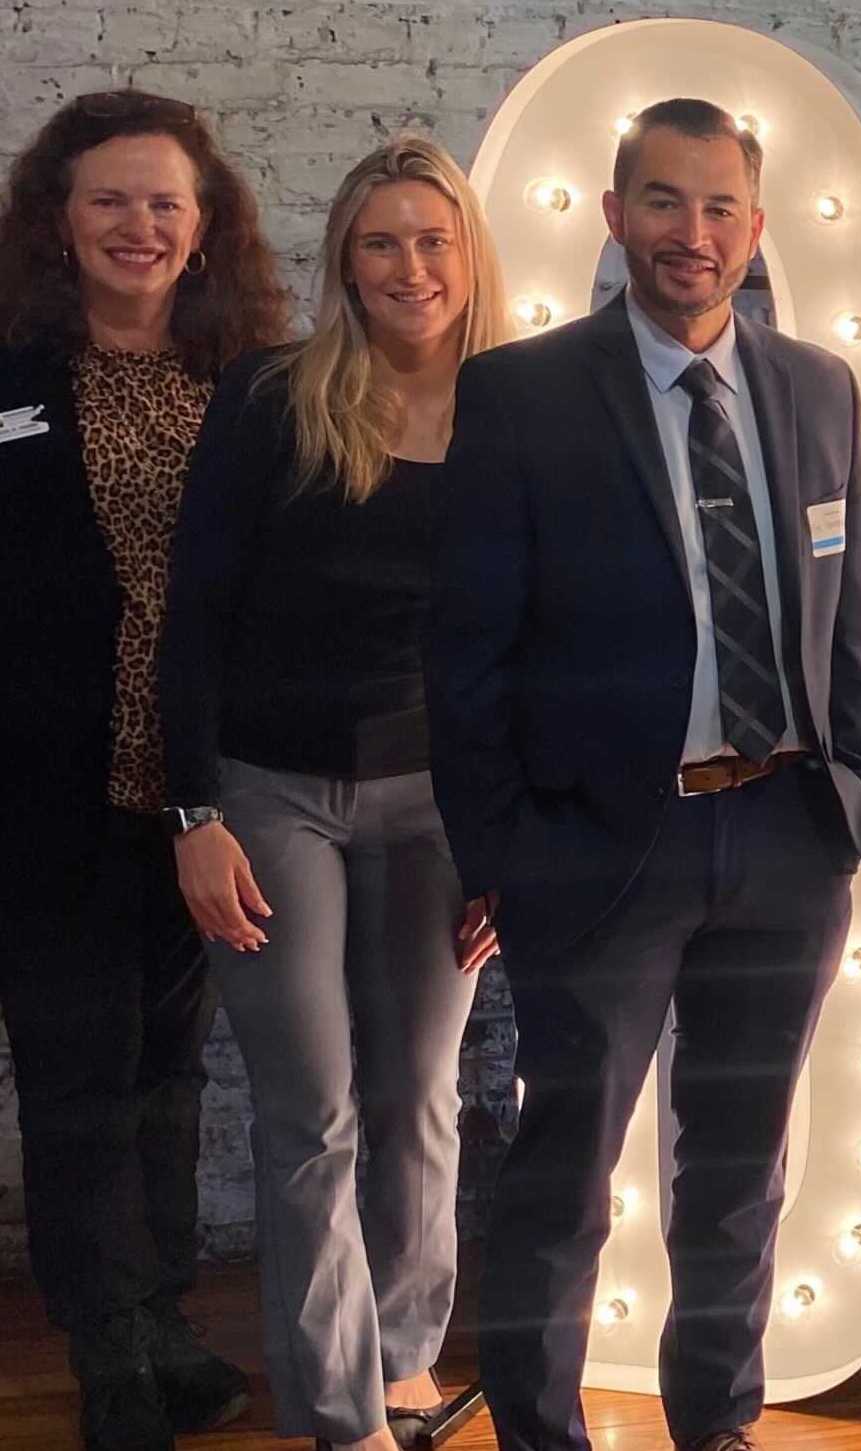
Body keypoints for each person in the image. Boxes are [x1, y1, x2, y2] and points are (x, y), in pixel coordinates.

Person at [424, 97, 861, 1451]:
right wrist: (504, 853)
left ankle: (719, 1424)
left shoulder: (817, 385)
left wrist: (856, 791)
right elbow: (468, 656)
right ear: (617, 213)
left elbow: (846, 618)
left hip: (788, 835)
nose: (693, 234)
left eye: (719, 208)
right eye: (665, 202)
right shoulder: (524, 394)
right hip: (603, 847)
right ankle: (536, 1429)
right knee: (566, 1166)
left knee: (741, 1168)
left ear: (757, 228)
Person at [156, 136, 509, 1451]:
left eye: (433, 238)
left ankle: (407, 1363)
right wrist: (195, 813)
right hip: (269, 796)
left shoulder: (521, 412)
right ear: (342, 259)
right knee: (314, 1110)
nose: (409, 266)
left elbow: (534, 643)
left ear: (469, 253)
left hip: (439, 801)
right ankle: (343, 1415)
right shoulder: (274, 396)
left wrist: (510, 842)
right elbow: (193, 618)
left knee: (422, 1095)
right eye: (380, 241)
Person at [0, 91, 287, 1451]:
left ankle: (164, 1324)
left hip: (199, 800)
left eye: (164, 200)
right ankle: (109, 1345)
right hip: (37, 801)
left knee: (171, 1074)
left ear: (205, 224)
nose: (139, 223)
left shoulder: (256, 384)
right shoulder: (4, 379)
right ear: (61, 219)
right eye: (110, 198)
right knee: (73, 1080)